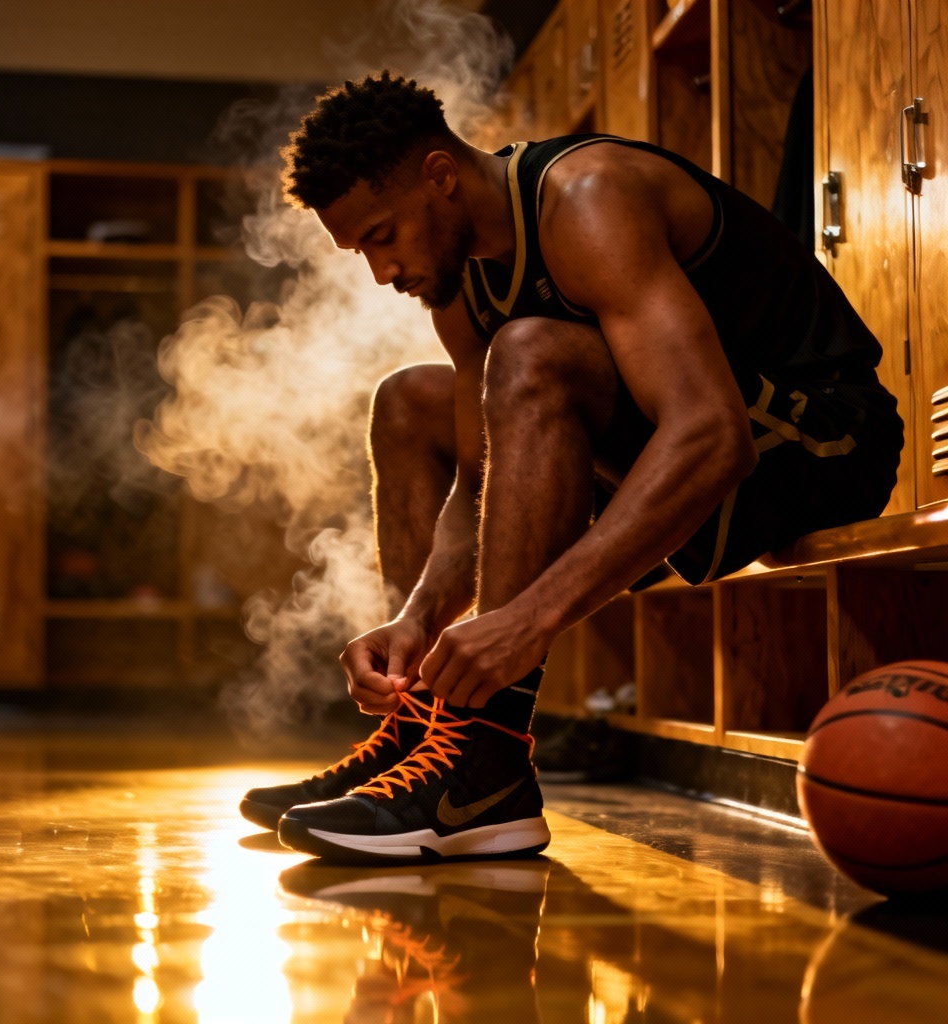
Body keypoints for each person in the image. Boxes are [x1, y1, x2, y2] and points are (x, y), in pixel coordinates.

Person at [240, 71, 903, 861]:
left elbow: (711, 435)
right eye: (361, 251)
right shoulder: (457, 285)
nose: (382, 272)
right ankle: (423, 730)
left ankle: (485, 764)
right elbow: (479, 482)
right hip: (691, 450)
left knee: (530, 352)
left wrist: (527, 622)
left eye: (383, 236)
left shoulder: (587, 199)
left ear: (441, 175)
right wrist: (419, 620)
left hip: (819, 438)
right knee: (408, 402)